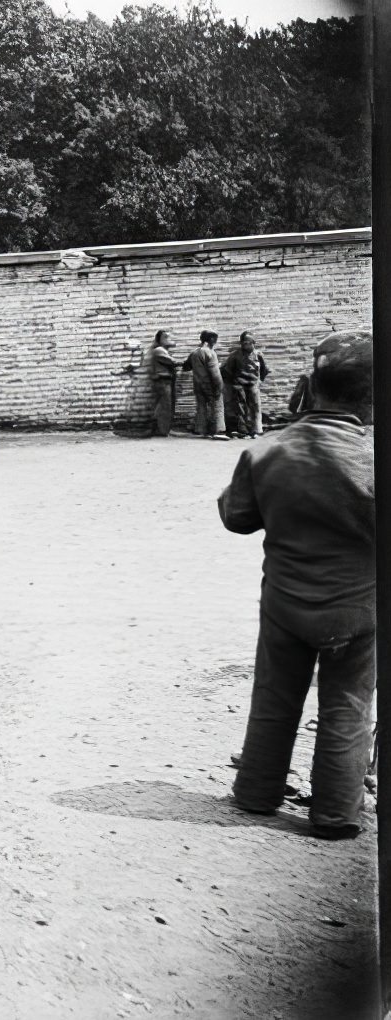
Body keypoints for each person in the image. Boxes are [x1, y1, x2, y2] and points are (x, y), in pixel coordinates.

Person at [218, 331, 374, 840]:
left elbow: (237, 518)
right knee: (348, 705)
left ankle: (257, 793)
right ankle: (335, 814)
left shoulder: (267, 451)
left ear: (311, 387)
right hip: (360, 610)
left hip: (286, 602)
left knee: (275, 697)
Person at [220, 331, 271, 438]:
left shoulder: (259, 355)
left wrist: (260, 381)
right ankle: (244, 431)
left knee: (255, 407)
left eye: (247, 343)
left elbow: (264, 370)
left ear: (253, 342)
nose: (245, 345)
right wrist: (234, 383)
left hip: (253, 385)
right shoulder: (235, 355)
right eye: (243, 343)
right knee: (241, 409)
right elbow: (227, 370)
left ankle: (256, 430)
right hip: (239, 386)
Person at [181, 331, 229, 440]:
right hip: (210, 384)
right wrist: (219, 386)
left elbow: (186, 367)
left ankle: (200, 429)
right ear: (211, 339)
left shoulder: (194, 353)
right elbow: (215, 373)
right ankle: (219, 430)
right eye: (215, 338)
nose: (216, 341)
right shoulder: (210, 352)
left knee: (201, 406)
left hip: (198, 384)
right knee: (217, 404)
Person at [149, 330, 178, 437]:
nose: (169, 339)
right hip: (162, 381)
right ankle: (162, 431)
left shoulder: (163, 350)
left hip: (165, 381)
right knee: (165, 406)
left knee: (165, 406)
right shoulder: (159, 350)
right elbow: (172, 362)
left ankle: (165, 429)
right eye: (166, 337)